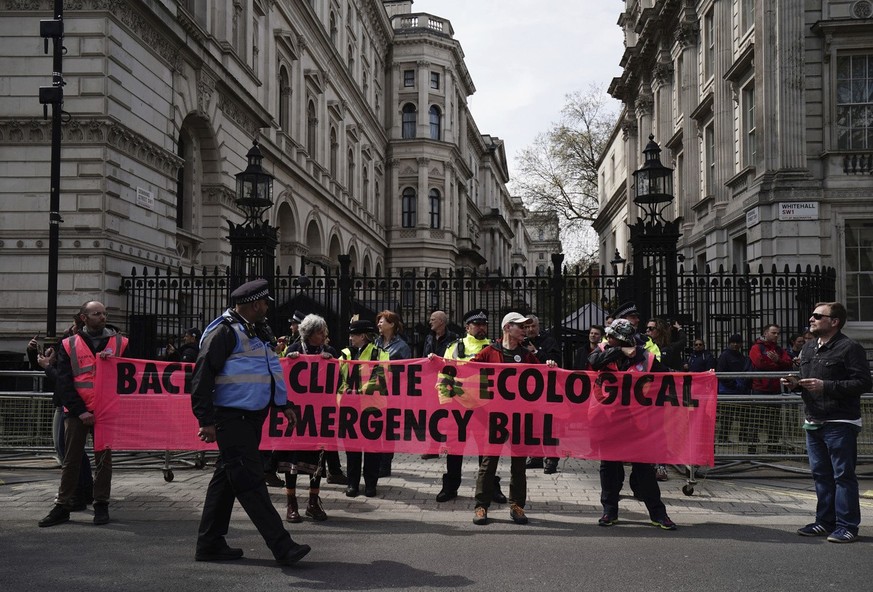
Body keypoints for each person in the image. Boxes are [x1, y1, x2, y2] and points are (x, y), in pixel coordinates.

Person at [190, 278, 310, 565]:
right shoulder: (224, 332)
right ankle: (282, 547)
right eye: (265, 302)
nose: (268, 306)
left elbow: (268, 369)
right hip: (232, 418)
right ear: (255, 304)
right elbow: (202, 376)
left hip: (251, 416)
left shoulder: (256, 329)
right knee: (250, 482)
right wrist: (205, 420)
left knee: (226, 480)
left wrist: (284, 404)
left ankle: (210, 543)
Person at [782, 302, 871, 544]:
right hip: (814, 420)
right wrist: (794, 383)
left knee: (843, 475)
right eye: (811, 315)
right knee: (821, 474)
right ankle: (824, 521)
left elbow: (863, 383)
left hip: (840, 421)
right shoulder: (809, 347)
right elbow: (806, 379)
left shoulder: (850, 348)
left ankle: (847, 526)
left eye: (817, 316)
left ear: (835, 322)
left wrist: (826, 386)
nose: (811, 319)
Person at [38, 301, 129, 528]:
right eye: (96, 313)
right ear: (83, 318)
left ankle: (101, 504)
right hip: (78, 412)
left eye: (104, 313)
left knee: (103, 461)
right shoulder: (69, 344)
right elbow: (64, 382)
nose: (102, 317)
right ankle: (63, 505)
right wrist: (81, 411)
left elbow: (131, 377)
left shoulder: (121, 342)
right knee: (71, 460)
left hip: (106, 411)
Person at [588, 318, 677, 531]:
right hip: (607, 420)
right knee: (609, 467)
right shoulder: (602, 351)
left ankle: (658, 513)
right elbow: (595, 362)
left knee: (644, 469)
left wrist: (701, 378)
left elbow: (668, 377)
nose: (607, 339)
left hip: (637, 422)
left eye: (612, 337)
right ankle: (609, 510)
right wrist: (619, 352)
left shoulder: (645, 357)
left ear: (622, 339)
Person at [470, 312, 556, 526]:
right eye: (520, 327)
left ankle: (517, 505)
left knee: (519, 463)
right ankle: (481, 505)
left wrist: (550, 366)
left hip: (520, 417)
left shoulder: (527, 355)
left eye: (527, 327)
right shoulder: (489, 352)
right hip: (495, 417)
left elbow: (542, 374)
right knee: (489, 463)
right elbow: (467, 371)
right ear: (507, 327)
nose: (525, 330)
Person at [429, 308, 506, 505]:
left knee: (487, 451)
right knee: (455, 449)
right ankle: (450, 486)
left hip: (485, 406)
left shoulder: (495, 347)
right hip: (458, 406)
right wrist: (446, 404)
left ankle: (490, 487)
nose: (481, 327)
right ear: (467, 327)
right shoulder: (455, 347)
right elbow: (444, 376)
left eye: (484, 324)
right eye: (477, 324)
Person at [281, 314, 338, 522]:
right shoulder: (293, 350)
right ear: (308, 334)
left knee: (317, 459)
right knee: (292, 460)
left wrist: (330, 364)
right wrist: (291, 362)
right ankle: (291, 503)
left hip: (319, 414)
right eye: (319, 332)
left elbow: (337, 378)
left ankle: (313, 503)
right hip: (297, 414)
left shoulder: (330, 351)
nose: (324, 335)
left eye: (324, 331)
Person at [338, 318, 390, 497]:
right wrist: (347, 394)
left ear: (362, 336)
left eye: (353, 334)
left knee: (372, 448)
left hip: (372, 408)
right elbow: (338, 379)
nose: (351, 338)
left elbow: (381, 378)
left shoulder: (380, 354)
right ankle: (352, 484)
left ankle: (370, 484)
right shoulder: (345, 354)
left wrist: (357, 393)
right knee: (351, 447)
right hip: (349, 407)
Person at [644, 317, 685, 481]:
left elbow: (682, 344)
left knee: (662, 431)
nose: (647, 332)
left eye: (651, 329)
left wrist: (680, 328)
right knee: (647, 431)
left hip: (665, 396)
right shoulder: (644, 347)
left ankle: (661, 465)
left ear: (659, 331)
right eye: (647, 329)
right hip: (647, 395)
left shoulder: (668, 349)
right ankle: (647, 463)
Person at [374, 310, 412, 477]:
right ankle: (375, 462)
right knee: (375, 428)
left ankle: (385, 465)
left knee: (388, 430)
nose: (379, 325)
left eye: (381, 321)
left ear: (392, 324)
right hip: (375, 392)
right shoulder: (375, 343)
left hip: (391, 393)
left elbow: (406, 372)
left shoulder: (402, 347)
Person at [524, 314, 563, 474]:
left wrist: (537, 352)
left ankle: (552, 460)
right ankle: (535, 457)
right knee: (531, 425)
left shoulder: (549, 341)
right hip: (528, 391)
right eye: (527, 327)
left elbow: (555, 361)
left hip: (547, 391)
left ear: (538, 326)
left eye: (533, 326)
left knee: (549, 427)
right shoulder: (520, 342)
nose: (530, 329)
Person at [748, 323, 793, 453]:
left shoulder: (778, 350)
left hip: (775, 388)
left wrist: (778, 361)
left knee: (774, 420)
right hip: (760, 388)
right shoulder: (756, 348)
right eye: (774, 333)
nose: (776, 335)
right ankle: (752, 447)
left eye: (778, 333)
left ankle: (773, 445)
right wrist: (778, 364)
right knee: (756, 419)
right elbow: (760, 363)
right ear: (765, 333)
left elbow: (788, 363)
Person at [420, 310, 458, 459]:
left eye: (433, 319)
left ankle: (449, 446)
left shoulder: (453, 338)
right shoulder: (429, 338)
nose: (430, 322)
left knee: (448, 415)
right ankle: (433, 448)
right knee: (433, 415)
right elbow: (424, 357)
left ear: (442, 321)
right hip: (431, 381)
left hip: (446, 381)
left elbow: (455, 359)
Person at [715, 333, 750, 444]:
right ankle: (723, 437)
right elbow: (721, 373)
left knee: (743, 415)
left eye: (737, 343)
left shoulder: (741, 357)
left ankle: (743, 436)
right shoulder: (725, 356)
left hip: (738, 388)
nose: (735, 345)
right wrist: (732, 384)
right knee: (727, 416)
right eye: (733, 342)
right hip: (727, 389)